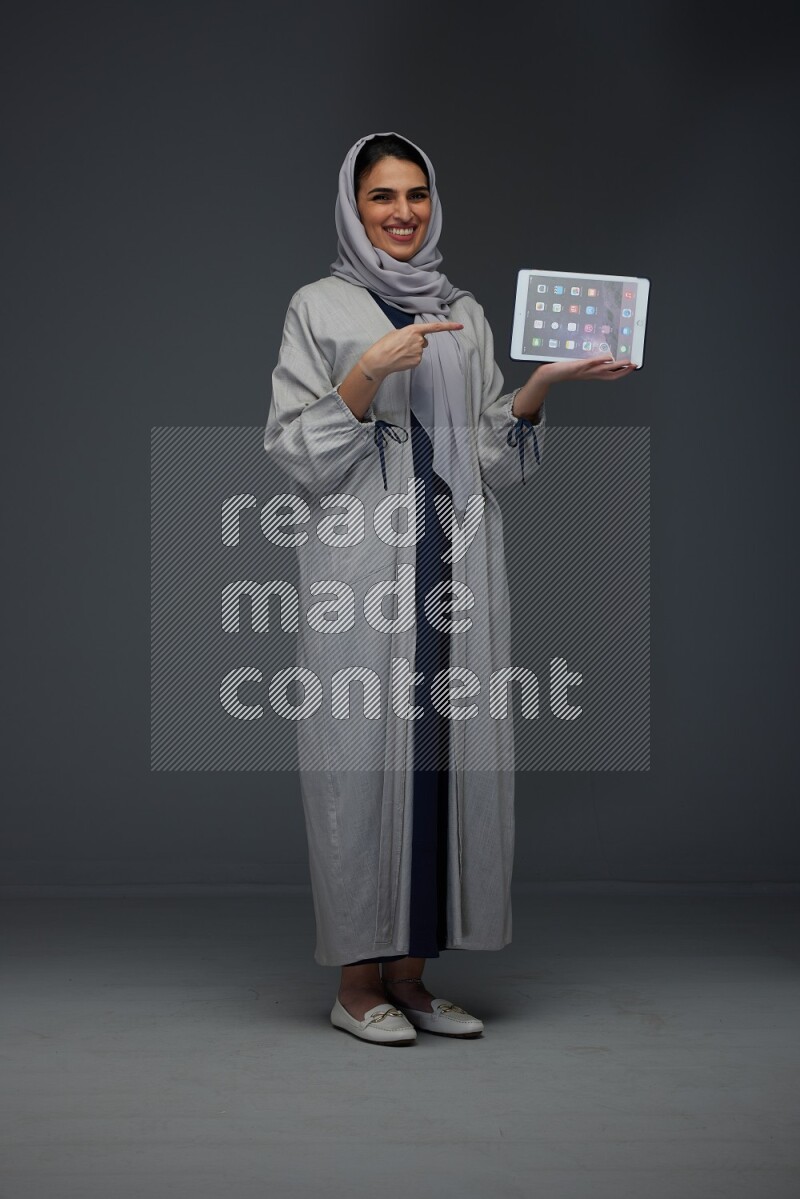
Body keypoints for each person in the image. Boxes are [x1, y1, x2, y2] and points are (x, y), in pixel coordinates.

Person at [263, 131, 635, 1046]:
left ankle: (414, 977)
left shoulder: (464, 312)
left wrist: (541, 385)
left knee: (447, 758)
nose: (401, 213)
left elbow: (493, 457)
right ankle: (357, 984)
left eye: (416, 195)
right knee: (360, 761)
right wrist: (364, 376)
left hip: (455, 564)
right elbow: (292, 453)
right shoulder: (320, 305)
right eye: (382, 196)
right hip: (362, 567)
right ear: (353, 206)